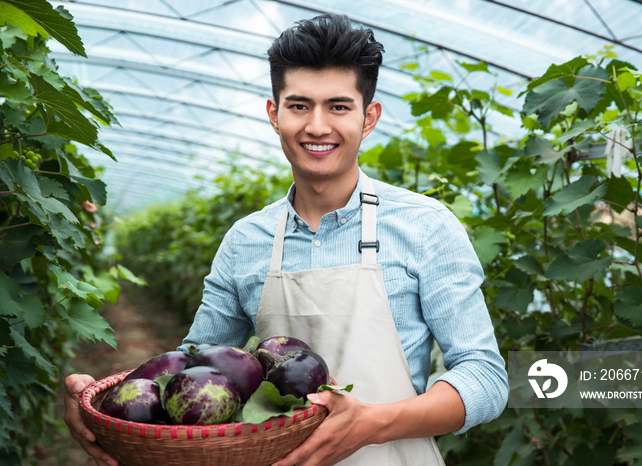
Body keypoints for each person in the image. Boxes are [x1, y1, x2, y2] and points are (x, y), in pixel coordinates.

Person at [64, 13, 508, 466]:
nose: (317, 126)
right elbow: (190, 366)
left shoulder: (425, 226)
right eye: (299, 106)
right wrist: (105, 402)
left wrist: (373, 423)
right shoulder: (246, 241)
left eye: (338, 106)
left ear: (368, 117)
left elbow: (486, 378)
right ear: (274, 114)